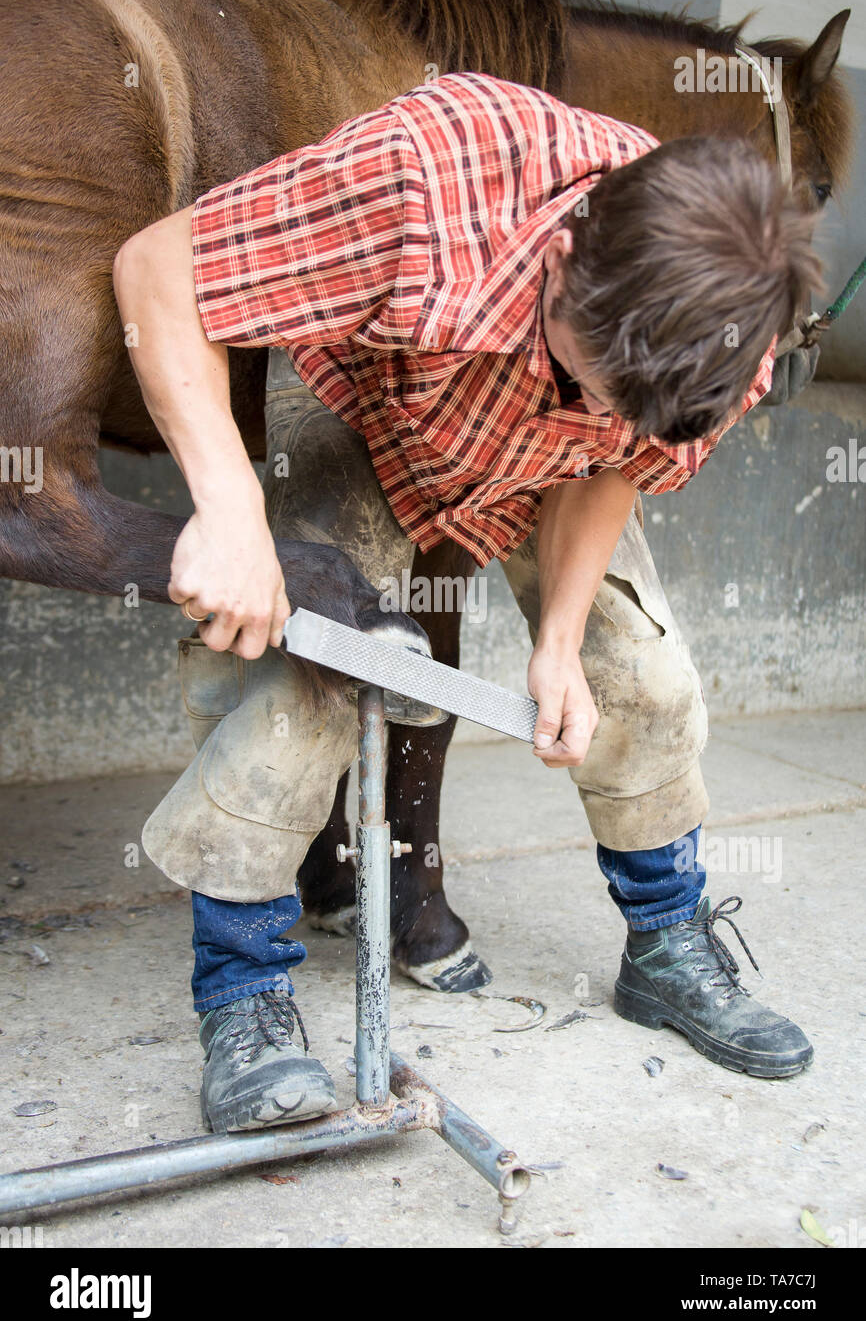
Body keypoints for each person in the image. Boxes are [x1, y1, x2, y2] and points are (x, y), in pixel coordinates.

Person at [113, 72, 820, 1134]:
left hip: (536, 464)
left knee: (646, 678)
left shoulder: (724, 328)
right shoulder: (421, 179)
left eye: (626, 405)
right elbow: (159, 266)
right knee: (304, 675)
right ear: (569, 250)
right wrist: (225, 509)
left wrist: (562, 641)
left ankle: (668, 946)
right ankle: (243, 994)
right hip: (369, 400)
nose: (602, 410)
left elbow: (611, 452)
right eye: (592, 378)